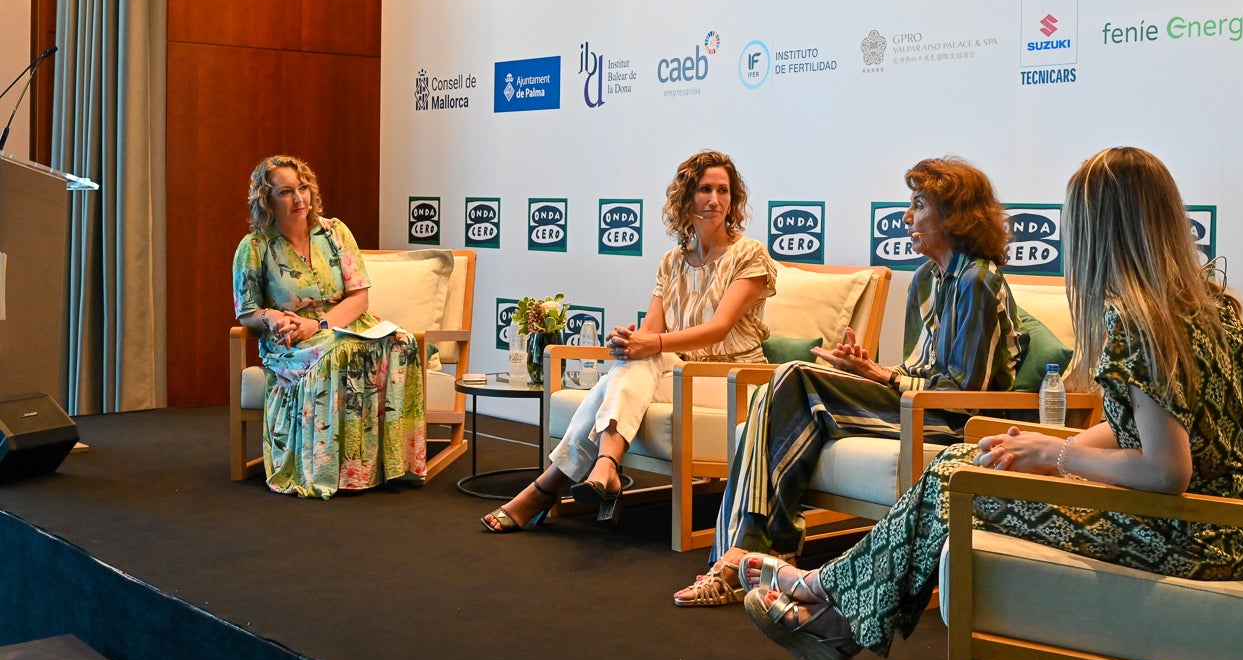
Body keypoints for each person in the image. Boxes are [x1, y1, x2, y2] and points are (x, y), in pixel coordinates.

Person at [733, 146, 1243, 660]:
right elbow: (1138, 432)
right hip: (1210, 526)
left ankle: (821, 593)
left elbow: (1167, 471)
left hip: (1183, 534)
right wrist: (1040, 449)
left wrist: (1056, 455)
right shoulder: (1210, 308)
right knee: (967, 460)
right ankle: (833, 626)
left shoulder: (1139, 324)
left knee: (955, 481)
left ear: (1100, 230)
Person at [673, 156, 1027, 607]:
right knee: (778, 387)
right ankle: (757, 553)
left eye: (919, 205)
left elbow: (963, 396)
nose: (906, 217)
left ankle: (746, 554)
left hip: (957, 423)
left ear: (954, 216)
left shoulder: (978, 280)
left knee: (793, 377)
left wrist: (885, 376)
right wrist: (869, 370)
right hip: (917, 405)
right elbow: (919, 372)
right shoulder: (925, 280)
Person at [483, 150, 776, 532]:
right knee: (633, 363)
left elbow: (718, 328)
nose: (715, 199)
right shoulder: (672, 260)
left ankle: (549, 486)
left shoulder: (750, 254)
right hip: (683, 372)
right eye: (705, 189)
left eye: (723, 190)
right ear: (686, 197)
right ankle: (604, 467)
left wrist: (649, 344)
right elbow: (651, 330)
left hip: (736, 380)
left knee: (629, 370)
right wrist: (629, 341)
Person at [232, 155, 427, 499]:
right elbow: (247, 312)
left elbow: (359, 298)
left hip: (344, 322)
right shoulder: (254, 247)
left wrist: (320, 323)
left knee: (402, 341)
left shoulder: (335, 232)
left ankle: (390, 464)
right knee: (335, 353)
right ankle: (335, 468)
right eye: (286, 192)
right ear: (267, 200)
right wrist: (271, 317)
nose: (299, 199)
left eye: (303, 188)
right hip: (292, 338)